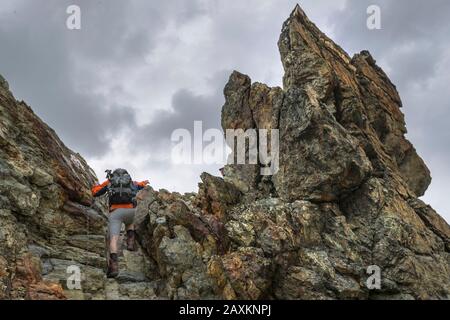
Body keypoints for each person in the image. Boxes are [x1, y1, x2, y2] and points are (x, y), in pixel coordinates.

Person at [91, 168, 149, 278]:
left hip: (116, 213)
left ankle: (113, 268)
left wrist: (94, 186)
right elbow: (141, 185)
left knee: (113, 240)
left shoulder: (110, 182)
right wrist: (145, 182)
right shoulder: (131, 183)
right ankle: (130, 241)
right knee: (129, 221)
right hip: (130, 212)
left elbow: (95, 192)